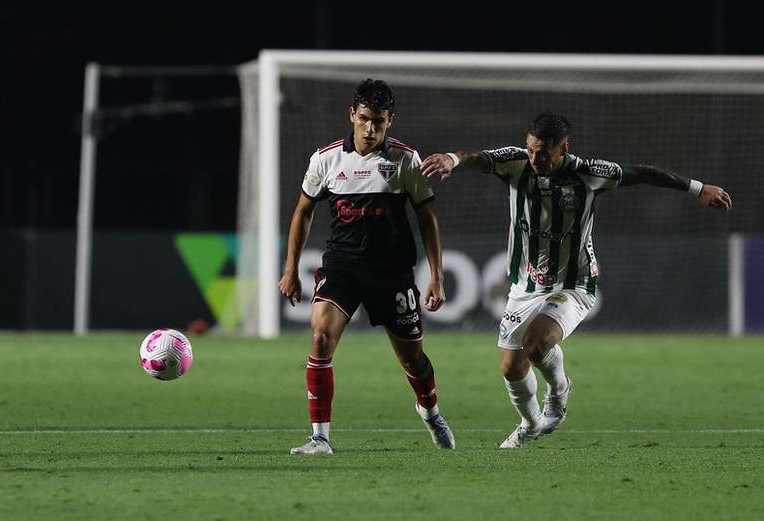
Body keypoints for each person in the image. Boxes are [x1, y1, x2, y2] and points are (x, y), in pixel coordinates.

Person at [420, 112, 732, 448]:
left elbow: (642, 173)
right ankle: (530, 423)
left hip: (574, 284)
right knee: (511, 368)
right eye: (530, 150)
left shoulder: (589, 174)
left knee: (537, 343)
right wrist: (451, 159)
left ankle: (559, 390)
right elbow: (477, 158)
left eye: (543, 153)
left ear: (563, 148)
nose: (534, 159)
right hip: (524, 287)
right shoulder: (515, 163)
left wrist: (698, 188)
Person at [279, 79, 455, 454]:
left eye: (378, 121)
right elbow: (302, 212)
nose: (370, 129)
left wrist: (436, 277)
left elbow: (427, 219)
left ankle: (430, 410)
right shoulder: (326, 159)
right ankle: (320, 437)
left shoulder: (406, 160)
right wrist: (290, 269)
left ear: (390, 120)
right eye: (364, 119)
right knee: (321, 336)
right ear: (351, 116)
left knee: (413, 358)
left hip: (392, 272)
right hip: (342, 266)